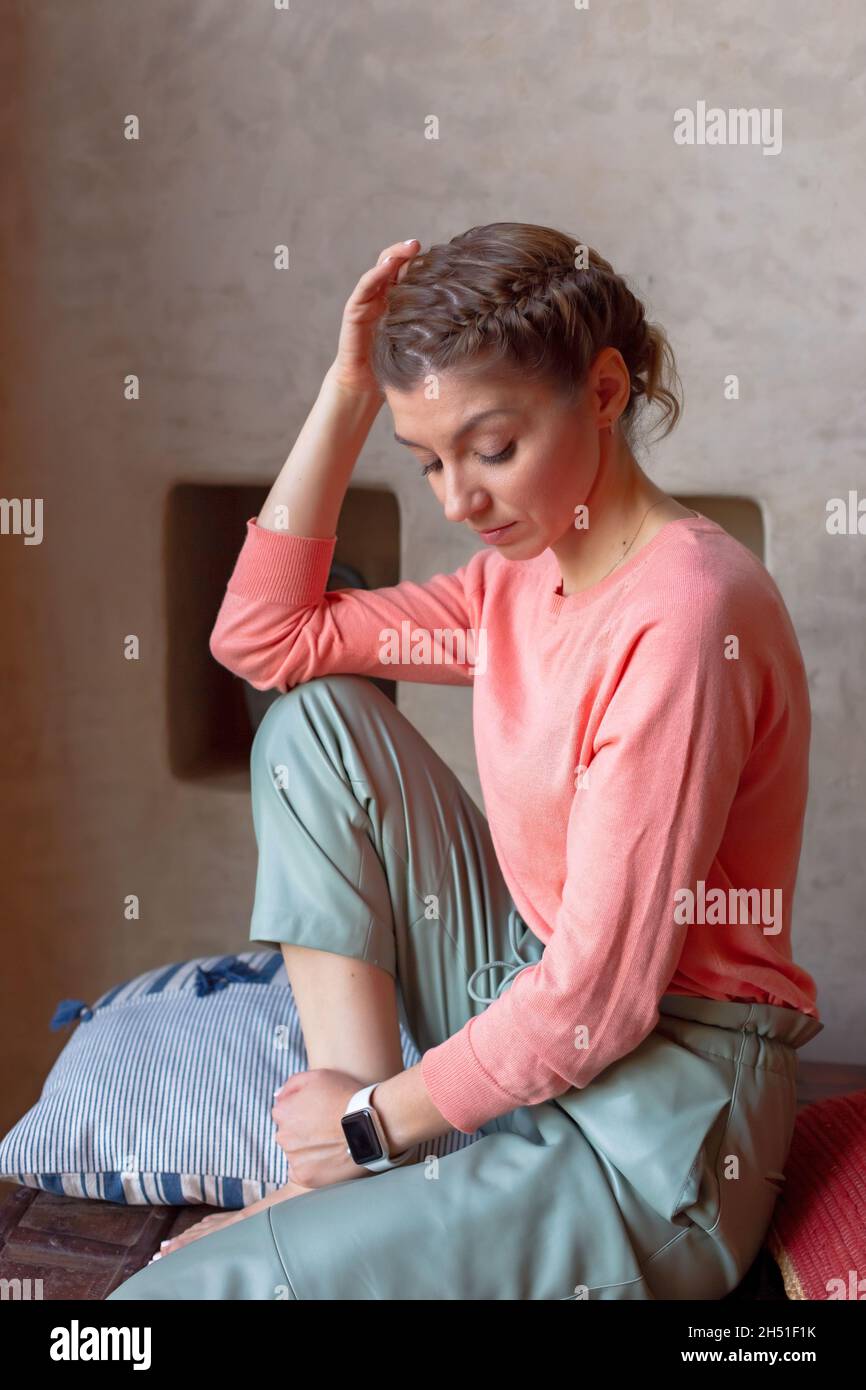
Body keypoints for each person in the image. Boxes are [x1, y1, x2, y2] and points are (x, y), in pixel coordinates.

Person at [107, 222, 822, 1301]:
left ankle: (354, 1157)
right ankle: (349, 1174)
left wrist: (363, 1127)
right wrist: (348, 388)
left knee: (175, 1304)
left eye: (490, 448)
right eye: (429, 459)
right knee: (315, 722)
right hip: (527, 995)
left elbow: (597, 1003)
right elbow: (262, 642)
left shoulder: (683, 617)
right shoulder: (510, 589)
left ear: (603, 389)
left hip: (659, 1124)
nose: (455, 500)